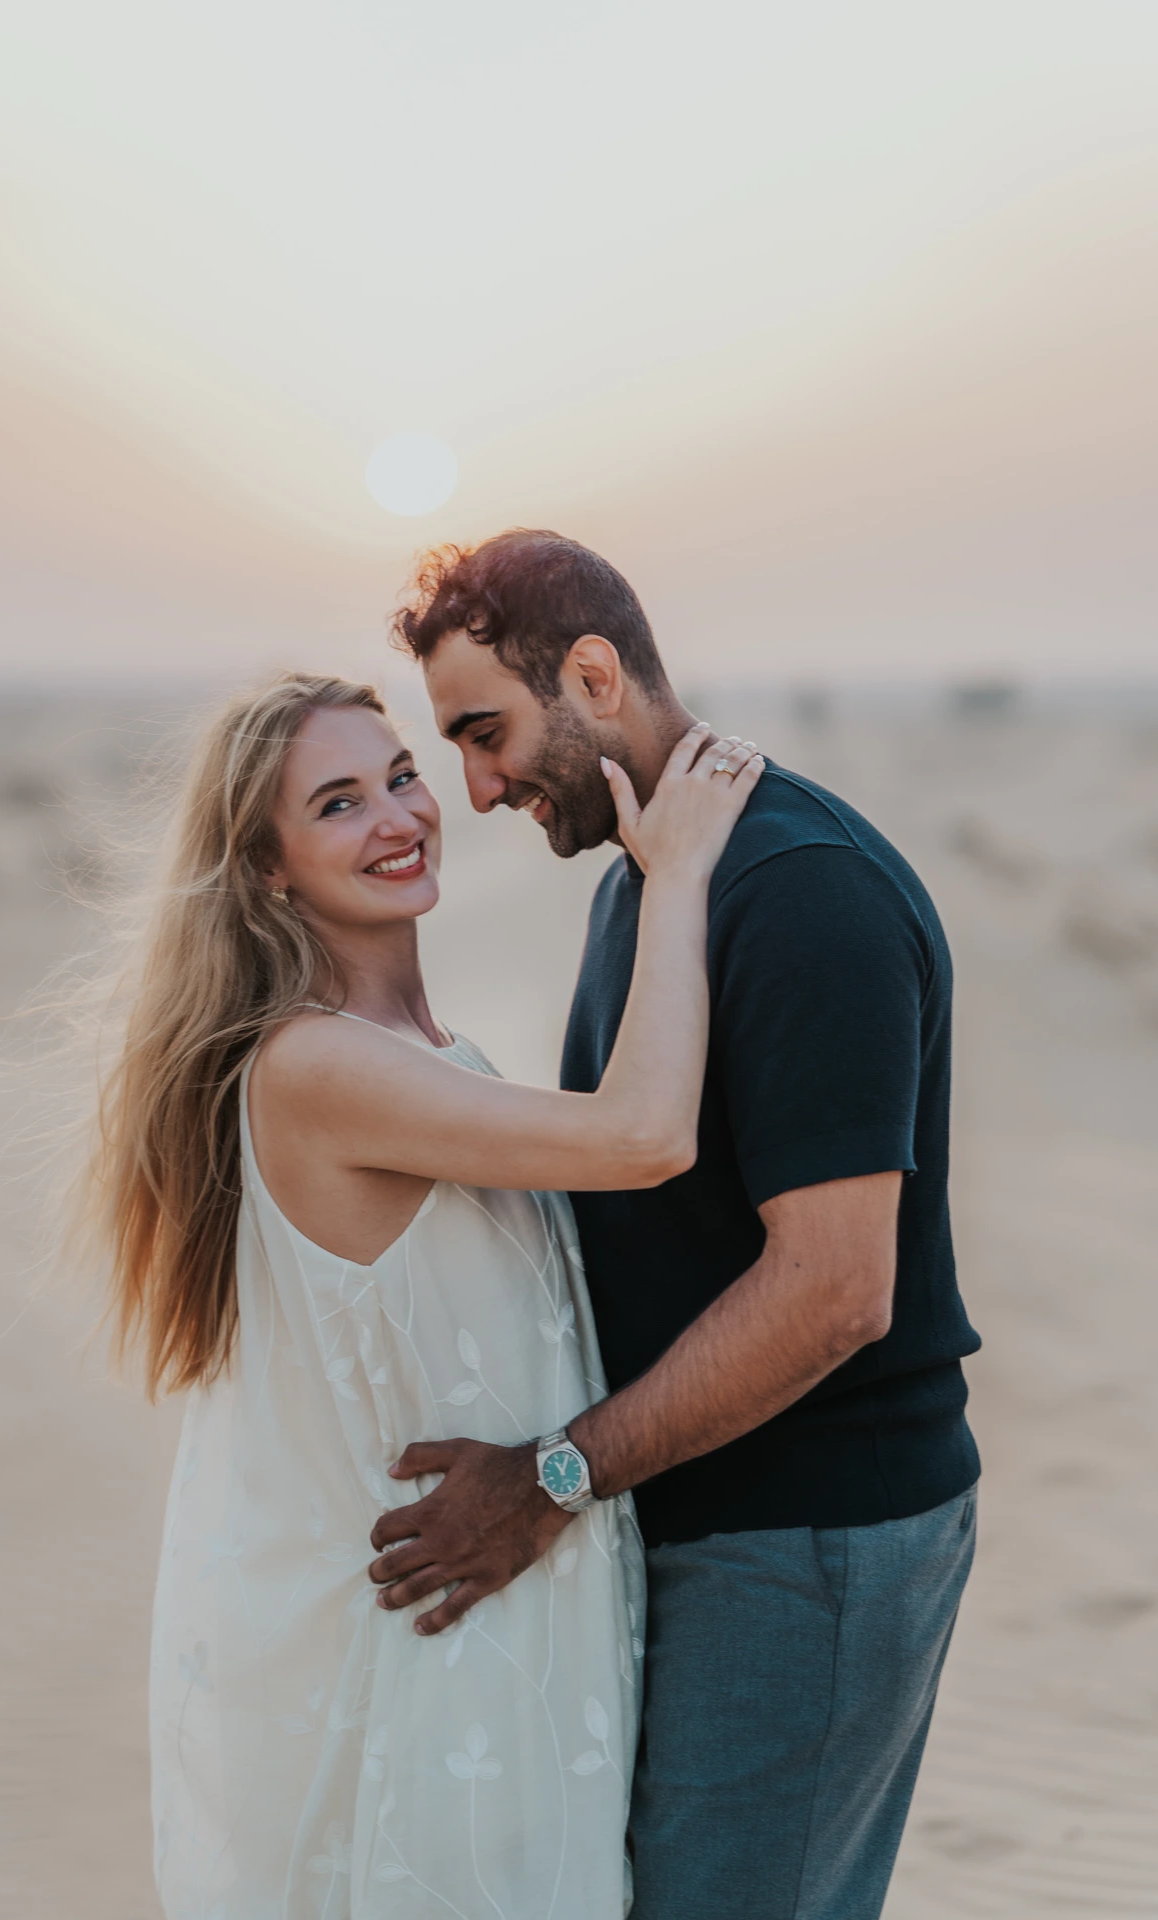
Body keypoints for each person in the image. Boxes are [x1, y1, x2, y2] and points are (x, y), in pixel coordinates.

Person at [72, 669, 762, 1917]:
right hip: (443, 1669)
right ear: (269, 871)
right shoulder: (313, 1066)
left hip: (520, 1640)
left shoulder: (433, 1062)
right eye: (337, 804)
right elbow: (643, 1134)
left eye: (399, 777)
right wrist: (683, 872)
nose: (398, 816)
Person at [377, 529, 983, 1920]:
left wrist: (552, 1480)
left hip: (812, 1540)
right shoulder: (652, 882)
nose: (473, 787)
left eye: (487, 731)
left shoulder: (797, 893)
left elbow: (836, 1290)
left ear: (591, 675)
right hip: (711, 1522)